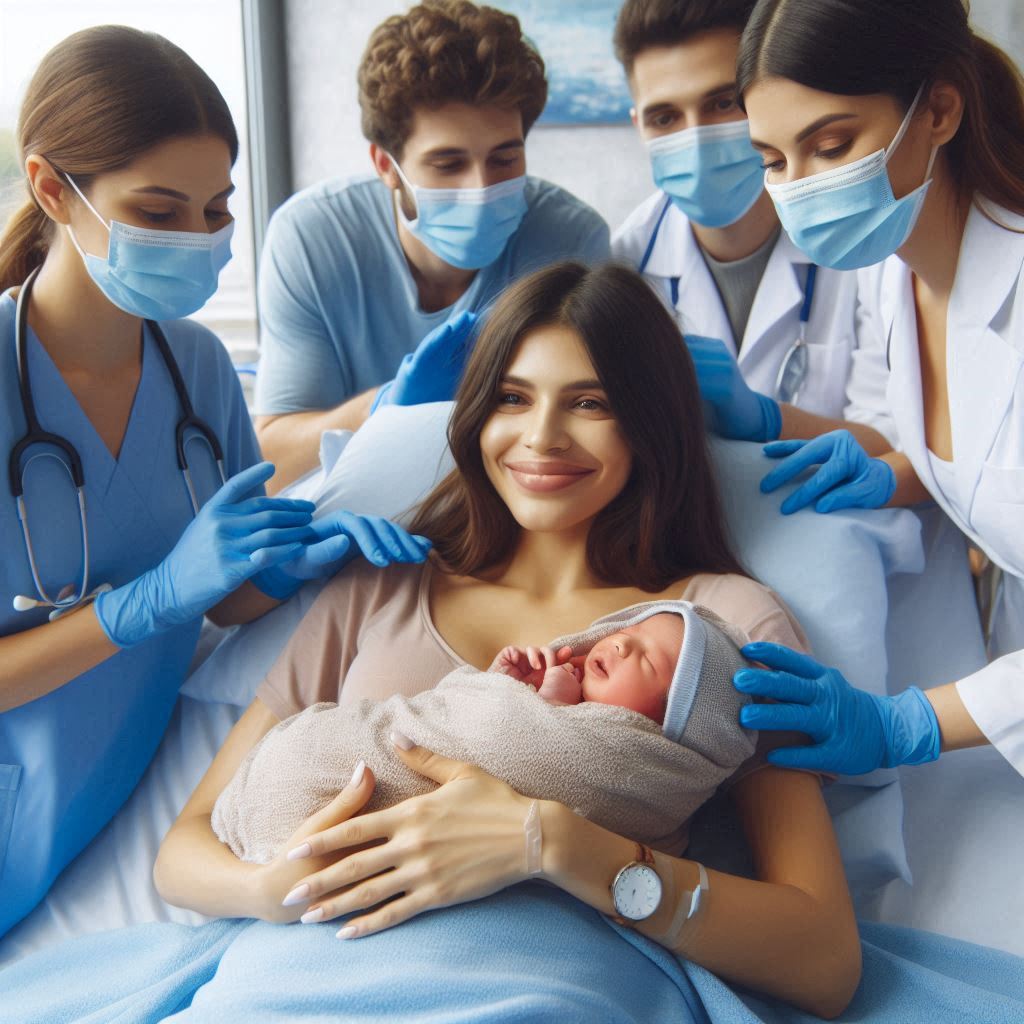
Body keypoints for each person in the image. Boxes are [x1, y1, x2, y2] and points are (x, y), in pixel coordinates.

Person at [155, 261, 862, 1020]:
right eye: (512, 398)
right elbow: (184, 853)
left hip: (543, 990)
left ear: (650, 424)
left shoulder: (724, 629)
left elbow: (823, 961)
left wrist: (555, 845)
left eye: (590, 402)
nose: (542, 438)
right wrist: (273, 887)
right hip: (299, 975)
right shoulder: (381, 585)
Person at [0, 26, 428, 939]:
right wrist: (142, 604)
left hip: (91, 818)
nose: (200, 239)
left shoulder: (197, 371)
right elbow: (170, 594)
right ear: (51, 189)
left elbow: (221, 600)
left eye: (216, 208)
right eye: (159, 212)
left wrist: (295, 563)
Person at [720, 0, 1024, 780]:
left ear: (940, 111)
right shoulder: (893, 272)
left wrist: (906, 722)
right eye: (774, 159)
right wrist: (899, 473)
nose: (800, 189)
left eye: (831, 145)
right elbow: (992, 451)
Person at [253, 0, 611, 492]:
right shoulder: (312, 237)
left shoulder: (570, 239)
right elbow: (273, 459)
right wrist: (385, 406)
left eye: (505, 159)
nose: (480, 187)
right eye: (448, 164)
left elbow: (581, 431)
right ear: (385, 165)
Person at [210, 601, 755, 869]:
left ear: (662, 733)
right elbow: (467, 721)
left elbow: (539, 755)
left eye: (650, 662)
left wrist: (546, 708)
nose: (619, 646)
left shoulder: (637, 763)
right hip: (322, 791)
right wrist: (502, 690)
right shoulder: (376, 581)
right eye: (628, 632)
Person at [610, 0, 895, 447]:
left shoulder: (865, 239)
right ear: (638, 126)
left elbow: (896, 443)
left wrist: (768, 419)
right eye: (665, 118)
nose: (696, 138)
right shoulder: (621, 266)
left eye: (722, 103)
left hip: (842, 515)